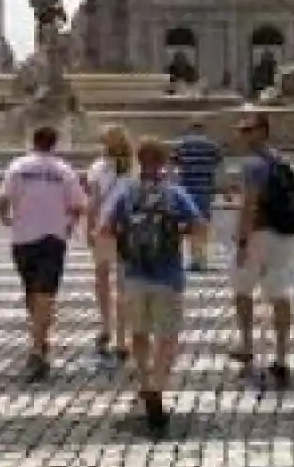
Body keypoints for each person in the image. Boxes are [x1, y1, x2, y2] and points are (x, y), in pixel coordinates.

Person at [99, 137, 205, 432]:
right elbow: (199, 226)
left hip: (134, 275)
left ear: (138, 160)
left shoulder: (128, 194)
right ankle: (158, 386)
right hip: (168, 276)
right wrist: (181, 234)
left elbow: (105, 229)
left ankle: (145, 380)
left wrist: (124, 242)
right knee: (168, 337)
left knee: (140, 333)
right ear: (164, 162)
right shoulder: (175, 193)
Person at [0, 124, 86, 382]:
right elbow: (79, 204)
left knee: (33, 291)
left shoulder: (17, 167)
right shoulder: (64, 170)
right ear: (54, 144)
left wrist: (4, 217)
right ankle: (40, 340)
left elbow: (2, 198)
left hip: (23, 238)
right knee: (44, 293)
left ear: (32, 141)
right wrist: (70, 223)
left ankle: (37, 347)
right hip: (52, 237)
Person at [229, 110, 294, 386]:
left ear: (262, 131)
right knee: (279, 293)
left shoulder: (252, 164)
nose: (243, 135)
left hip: (259, 234)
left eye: (248, 129)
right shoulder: (280, 159)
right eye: (241, 129)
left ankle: (247, 345)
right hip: (283, 234)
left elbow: (250, 205)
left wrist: (241, 240)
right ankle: (282, 356)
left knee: (242, 290)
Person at [85, 125, 132, 359]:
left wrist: (88, 228)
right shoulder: (134, 168)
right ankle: (123, 338)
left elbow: (93, 203)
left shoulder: (98, 168)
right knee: (124, 283)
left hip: (104, 229)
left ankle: (106, 327)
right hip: (128, 230)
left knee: (102, 280)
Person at [174, 119, 223, 271]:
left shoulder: (182, 146)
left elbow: (173, 167)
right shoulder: (212, 147)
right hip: (204, 190)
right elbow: (219, 168)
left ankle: (187, 255)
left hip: (186, 190)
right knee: (201, 224)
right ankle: (199, 258)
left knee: (186, 225)